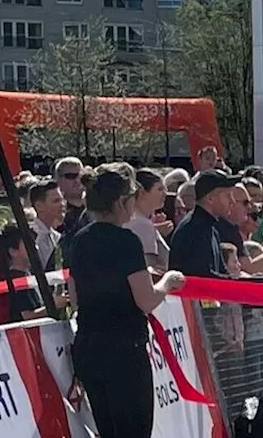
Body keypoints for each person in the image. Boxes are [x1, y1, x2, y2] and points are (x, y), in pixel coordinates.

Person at [65, 163, 185, 438]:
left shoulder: (79, 240)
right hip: (124, 351)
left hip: (90, 348)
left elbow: (75, 297)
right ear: (121, 201)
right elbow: (145, 300)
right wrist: (167, 283)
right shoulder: (126, 241)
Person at [169, 170, 243, 278]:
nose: (232, 201)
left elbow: (222, 272)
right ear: (210, 198)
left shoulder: (209, 228)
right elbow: (203, 277)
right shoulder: (195, 230)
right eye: (227, 196)